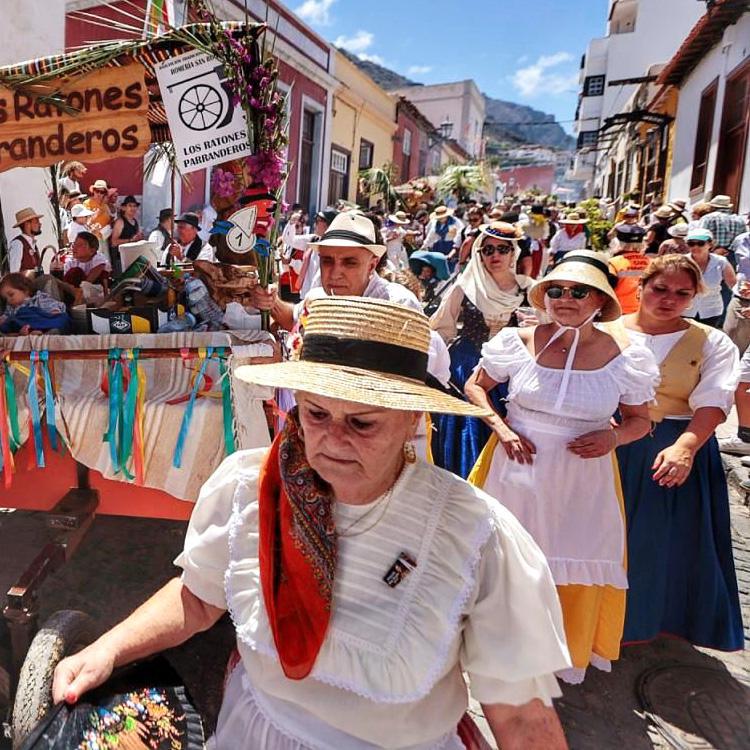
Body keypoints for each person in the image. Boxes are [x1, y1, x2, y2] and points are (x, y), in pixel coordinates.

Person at [52, 296, 571, 750]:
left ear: (414, 419)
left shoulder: (475, 535)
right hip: (253, 734)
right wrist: (108, 649)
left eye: (362, 423)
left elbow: (521, 713)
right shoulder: (248, 489)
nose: (332, 439)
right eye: (316, 414)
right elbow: (199, 598)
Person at [465, 251, 658, 684]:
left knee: (571, 562)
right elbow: (476, 385)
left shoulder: (627, 357)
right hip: (514, 470)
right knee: (504, 558)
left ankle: (555, 654)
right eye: (555, 289)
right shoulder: (518, 342)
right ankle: (494, 645)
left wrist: (613, 437)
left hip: (581, 480)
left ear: (599, 301)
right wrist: (501, 427)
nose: (565, 298)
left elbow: (641, 420)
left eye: (578, 291)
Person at [615, 254, 743, 651]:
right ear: (641, 287)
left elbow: (715, 399)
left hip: (674, 443)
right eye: (660, 289)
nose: (669, 299)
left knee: (660, 543)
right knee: (607, 536)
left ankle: (648, 622)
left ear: (695, 297)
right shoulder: (606, 331)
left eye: (682, 293)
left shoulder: (712, 341)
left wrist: (686, 447)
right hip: (611, 444)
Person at [431, 222, 530, 478]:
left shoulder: (530, 290)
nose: (495, 255)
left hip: (512, 373)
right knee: (465, 435)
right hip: (466, 368)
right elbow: (441, 330)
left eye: (502, 249)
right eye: (487, 250)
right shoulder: (465, 287)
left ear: (513, 252)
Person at [682, 227, 735, 327]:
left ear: (710, 244)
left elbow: (733, 285)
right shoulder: (681, 261)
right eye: (691, 243)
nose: (695, 246)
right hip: (684, 310)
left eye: (700, 243)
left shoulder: (721, 262)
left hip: (711, 311)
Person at [0, 272, 70, 334]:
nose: (9, 300)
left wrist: (54, 311)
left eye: (11, 294)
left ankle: (44, 331)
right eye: (6, 299)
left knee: (63, 318)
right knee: (11, 321)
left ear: (25, 290)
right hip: (23, 324)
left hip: (40, 321)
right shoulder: (10, 307)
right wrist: (3, 320)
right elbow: (7, 318)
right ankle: (28, 332)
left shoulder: (38, 298)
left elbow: (52, 305)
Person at [608, 223, 649, 315]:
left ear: (617, 242)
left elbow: (608, 289)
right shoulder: (651, 262)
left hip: (619, 311)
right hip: (643, 311)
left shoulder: (613, 263)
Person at [110, 195, 144, 271]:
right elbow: (113, 242)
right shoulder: (120, 222)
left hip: (132, 258)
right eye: (130, 206)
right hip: (120, 259)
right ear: (124, 208)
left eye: (134, 206)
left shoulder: (135, 221)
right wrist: (130, 240)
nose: (133, 208)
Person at [7, 207, 44, 274]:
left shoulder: (32, 244)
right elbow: (14, 273)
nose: (40, 224)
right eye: (36, 222)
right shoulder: (17, 244)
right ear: (27, 224)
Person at [83, 179, 114, 247]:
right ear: (93, 191)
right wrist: (96, 215)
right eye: (97, 191)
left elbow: (110, 221)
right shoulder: (87, 203)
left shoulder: (105, 205)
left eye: (102, 192)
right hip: (92, 239)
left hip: (104, 238)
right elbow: (85, 223)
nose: (99, 194)